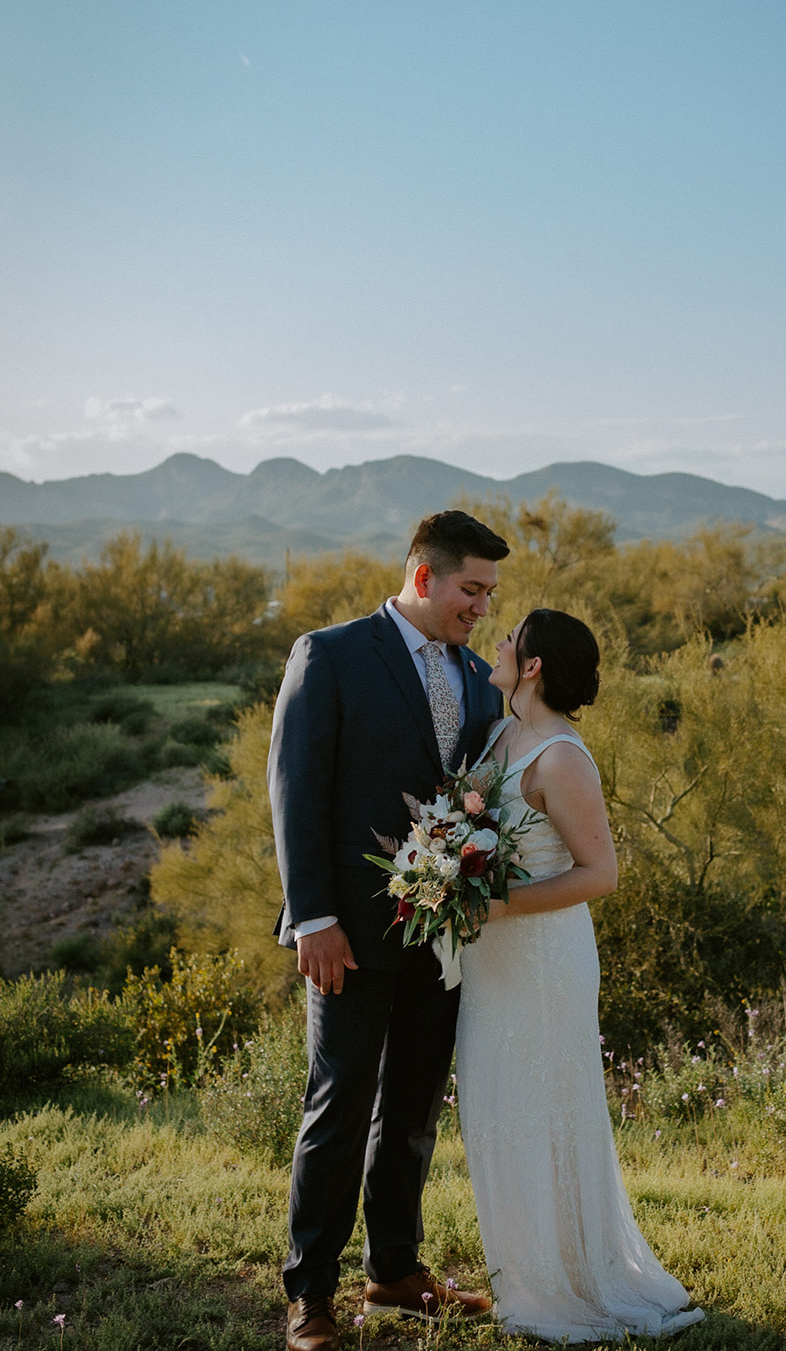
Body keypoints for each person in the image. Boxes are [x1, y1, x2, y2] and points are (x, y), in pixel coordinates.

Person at [268, 510, 510, 1351]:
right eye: (470, 589)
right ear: (423, 578)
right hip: (346, 936)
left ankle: (396, 1272)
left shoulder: (480, 678)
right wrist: (315, 919)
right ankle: (310, 1296)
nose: (481, 606)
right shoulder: (330, 654)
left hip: (441, 938)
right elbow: (296, 791)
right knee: (339, 1107)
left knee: (410, 1106)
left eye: (489, 592)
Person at [455, 608, 705, 1342]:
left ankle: (565, 1283)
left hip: (541, 959)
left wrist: (497, 904)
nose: (497, 645)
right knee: (496, 1112)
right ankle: (527, 1272)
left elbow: (601, 874)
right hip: (490, 959)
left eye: (510, 639)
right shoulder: (502, 732)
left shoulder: (562, 758)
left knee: (543, 1113)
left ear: (532, 667)